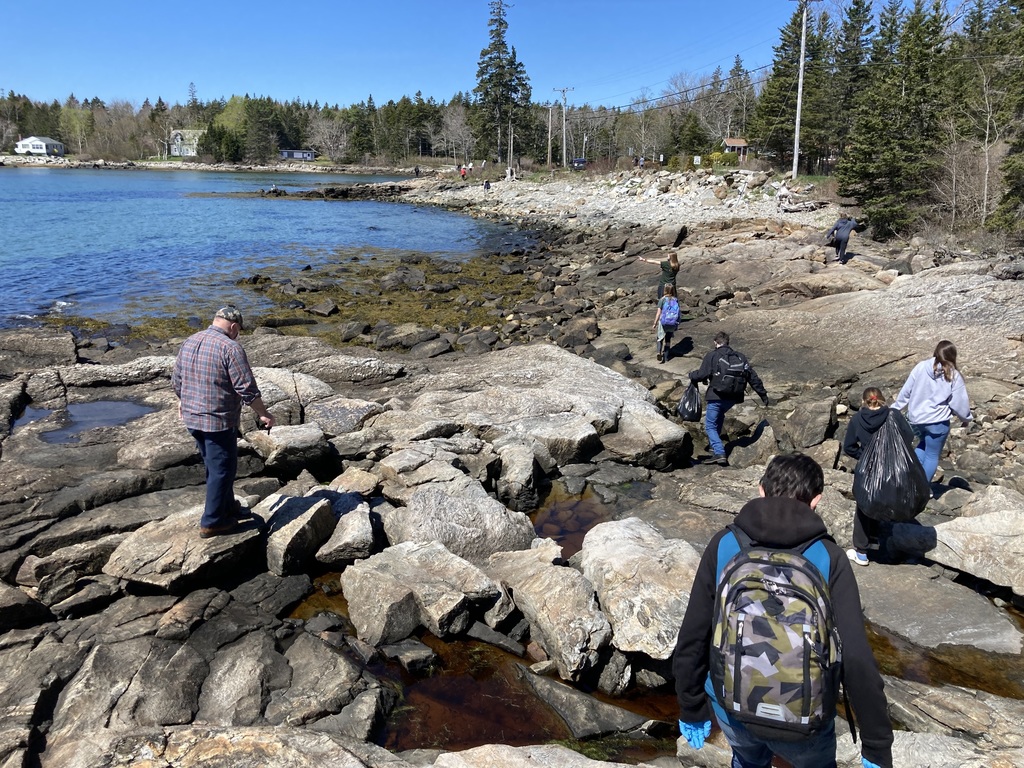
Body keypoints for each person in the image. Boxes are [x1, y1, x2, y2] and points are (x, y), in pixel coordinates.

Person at [672, 452, 894, 768]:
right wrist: (875, 744)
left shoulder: (725, 544)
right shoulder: (828, 558)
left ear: (761, 490)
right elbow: (856, 657)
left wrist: (691, 706)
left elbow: (693, 634)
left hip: (734, 707)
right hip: (806, 721)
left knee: (748, 761)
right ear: (816, 501)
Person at [172, 306, 275, 538]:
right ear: (234, 327)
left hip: (192, 417)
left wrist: (183, 400)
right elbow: (246, 388)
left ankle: (227, 506)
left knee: (214, 465)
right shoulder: (230, 347)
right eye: (238, 330)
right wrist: (263, 414)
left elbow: (177, 379)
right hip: (217, 419)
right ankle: (213, 521)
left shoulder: (190, 340)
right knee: (222, 469)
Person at [842, 387, 915, 566]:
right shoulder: (894, 415)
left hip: (868, 468)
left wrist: (864, 455)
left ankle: (861, 552)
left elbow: (849, 447)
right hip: (892, 468)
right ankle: (876, 540)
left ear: (863, 402)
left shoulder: (857, 419)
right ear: (882, 400)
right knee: (883, 501)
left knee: (864, 506)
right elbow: (909, 435)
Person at [891, 340, 973, 483]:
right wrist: (965, 418)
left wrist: (894, 409)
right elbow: (959, 402)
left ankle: (908, 481)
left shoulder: (921, 367)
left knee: (923, 445)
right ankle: (922, 490)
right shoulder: (954, 375)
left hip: (916, 419)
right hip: (937, 422)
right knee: (931, 455)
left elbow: (906, 391)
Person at [689, 331, 768, 466]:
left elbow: (702, 374)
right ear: (728, 342)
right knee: (719, 416)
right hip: (733, 398)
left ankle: (719, 452)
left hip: (717, 396)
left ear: (715, 342)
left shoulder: (712, 356)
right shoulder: (740, 357)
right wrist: (763, 395)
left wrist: (692, 375)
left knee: (710, 426)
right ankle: (714, 446)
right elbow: (753, 377)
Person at [652, 284, 680, 363]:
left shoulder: (662, 300)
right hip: (672, 323)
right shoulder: (675, 300)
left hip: (663, 322)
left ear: (665, 290)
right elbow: (678, 313)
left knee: (659, 339)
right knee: (668, 340)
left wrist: (655, 323)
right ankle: (666, 357)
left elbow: (658, 313)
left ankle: (659, 352)